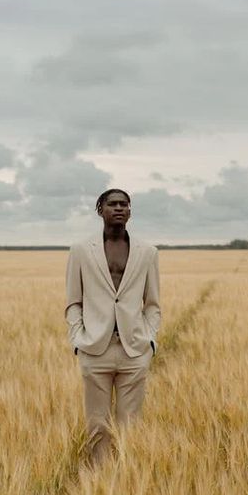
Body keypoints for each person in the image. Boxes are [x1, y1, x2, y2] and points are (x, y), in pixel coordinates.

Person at [65, 188, 160, 464]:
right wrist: (77, 339)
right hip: (95, 349)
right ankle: (99, 482)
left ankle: (126, 480)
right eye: (112, 204)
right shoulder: (81, 251)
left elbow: (152, 304)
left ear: (130, 211)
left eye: (124, 204)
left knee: (131, 425)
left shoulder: (148, 252)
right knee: (97, 425)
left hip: (134, 349)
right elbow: (74, 302)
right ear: (100, 210)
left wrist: (150, 342)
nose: (119, 208)